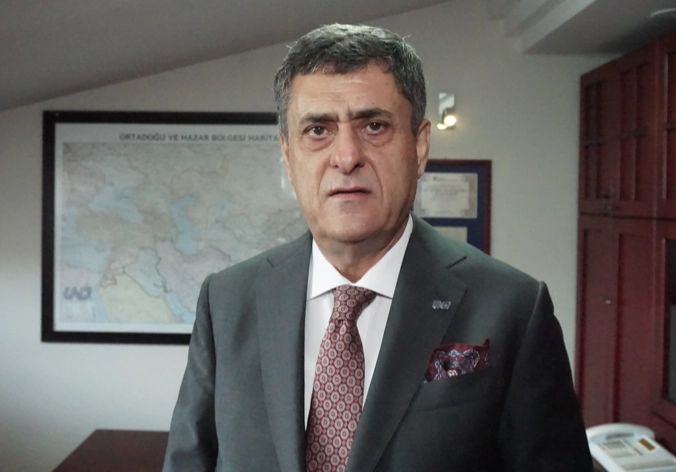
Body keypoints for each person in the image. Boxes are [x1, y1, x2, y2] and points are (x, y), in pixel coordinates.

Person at [163, 23, 592, 472]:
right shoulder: (226, 302)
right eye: (318, 130)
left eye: (373, 126)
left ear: (419, 147)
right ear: (288, 156)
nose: (346, 156)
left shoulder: (512, 309)